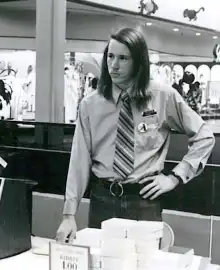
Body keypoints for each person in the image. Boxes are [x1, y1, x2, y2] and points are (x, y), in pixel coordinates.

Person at [56, 27, 215, 242]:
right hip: (103, 200)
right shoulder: (90, 105)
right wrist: (68, 215)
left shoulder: (162, 97)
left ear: (138, 62)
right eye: (110, 57)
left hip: (144, 201)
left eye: (123, 58)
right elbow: (79, 160)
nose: (114, 65)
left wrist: (175, 177)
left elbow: (205, 135)